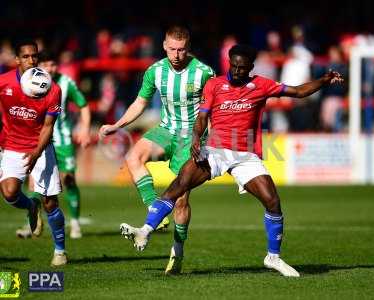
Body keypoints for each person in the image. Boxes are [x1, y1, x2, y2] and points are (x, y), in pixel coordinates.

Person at [119, 44, 343, 277]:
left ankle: (273, 257)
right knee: (179, 185)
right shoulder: (214, 85)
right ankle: (145, 230)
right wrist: (196, 139)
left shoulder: (263, 85)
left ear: (250, 68)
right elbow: (202, 116)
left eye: (241, 68)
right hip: (216, 150)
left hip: (246, 156)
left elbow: (298, 91)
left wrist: (324, 80)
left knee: (272, 201)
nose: (236, 71)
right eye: (233, 66)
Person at [99, 25, 215, 274]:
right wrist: (117, 125)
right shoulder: (155, 70)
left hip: (190, 137)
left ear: (188, 48)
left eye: (181, 50)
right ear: (164, 46)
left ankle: (178, 251)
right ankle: (157, 212)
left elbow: (214, 108)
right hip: (165, 130)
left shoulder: (204, 73)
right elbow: (140, 102)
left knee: (181, 200)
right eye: (172, 49)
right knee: (133, 157)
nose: (176, 54)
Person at [0, 40, 67, 266]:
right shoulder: (4, 82)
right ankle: (30, 205)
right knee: (9, 193)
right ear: (17, 59)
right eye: (26, 57)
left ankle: (60, 250)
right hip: (11, 145)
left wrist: (37, 152)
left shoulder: (52, 88)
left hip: (41, 146)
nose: (31, 61)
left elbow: (48, 127)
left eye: (34, 56)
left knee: (50, 202)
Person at [15, 50, 91, 239]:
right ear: (40, 65)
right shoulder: (27, 82)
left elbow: (83, 105)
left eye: (53, 64)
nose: (50, 68)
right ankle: (31, 223)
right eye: (46, 64)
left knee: (68, 180)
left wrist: (84, 129)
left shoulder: (66, 83)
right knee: (33, 183)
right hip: (38, 140)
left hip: (63, 141)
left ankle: (74, 223)